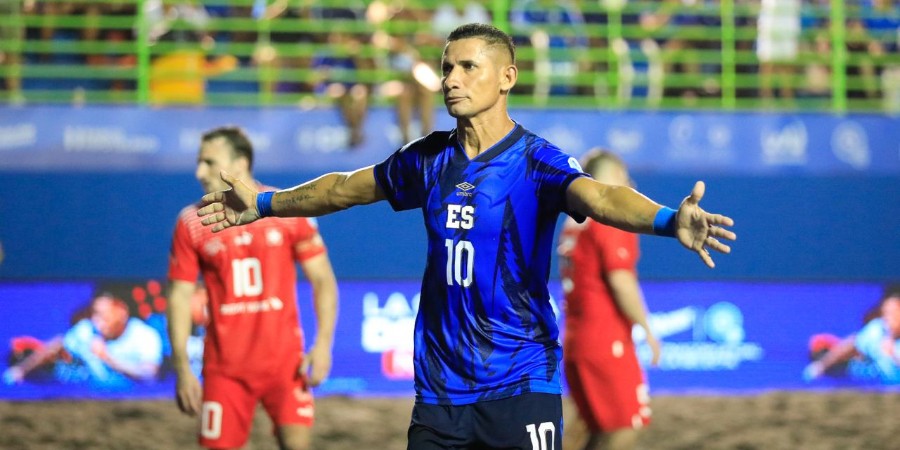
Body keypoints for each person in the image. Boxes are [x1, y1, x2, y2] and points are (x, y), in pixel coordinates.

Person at [196, 23, 735, 449]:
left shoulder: (537, 160)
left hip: (521, 379)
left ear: (507, 78)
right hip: (439, 390)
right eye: (447, 67)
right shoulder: (428, 158)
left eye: (468, 67)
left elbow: (599, 197)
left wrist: (669, 219)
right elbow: (342, 189)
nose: (451, 79)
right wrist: (265, 204)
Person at [167, 126, 339, 450]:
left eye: (209, 162)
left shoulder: (284, 208)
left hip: (286, 366)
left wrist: (323, 345)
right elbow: (178, 298)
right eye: (198, 162)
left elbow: (323, 279)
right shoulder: (192, 221)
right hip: (224, 371)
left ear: (240, 164)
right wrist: (182, 369)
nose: (198, 172)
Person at [557, 149, 661, 450]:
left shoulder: (574, 222)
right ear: (614, 178)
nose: (631, 184)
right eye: (626, 176)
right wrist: (648, 328)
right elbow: (621, 281)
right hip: (605, 341)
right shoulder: (613, 220)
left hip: (577, 341)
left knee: (591, 427)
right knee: (627, 427)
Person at [3, 293, 163, 389]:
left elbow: (149, 375)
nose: (97, 321)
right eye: (94, 314)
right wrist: (21, 370)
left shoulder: (145, 335)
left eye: (103, 315)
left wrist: (108, 358)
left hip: (132, 400)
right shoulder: (87, 330)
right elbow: (57, 345)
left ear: (121, 313)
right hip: (91, 397)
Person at [803, 290, 900, 385]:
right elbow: (853, 344)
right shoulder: (878, 329)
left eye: (893, 313)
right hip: (873, 388)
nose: (887, 318)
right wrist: (821, 366)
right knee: (819, 345)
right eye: (885, 313)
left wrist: (893, 355)